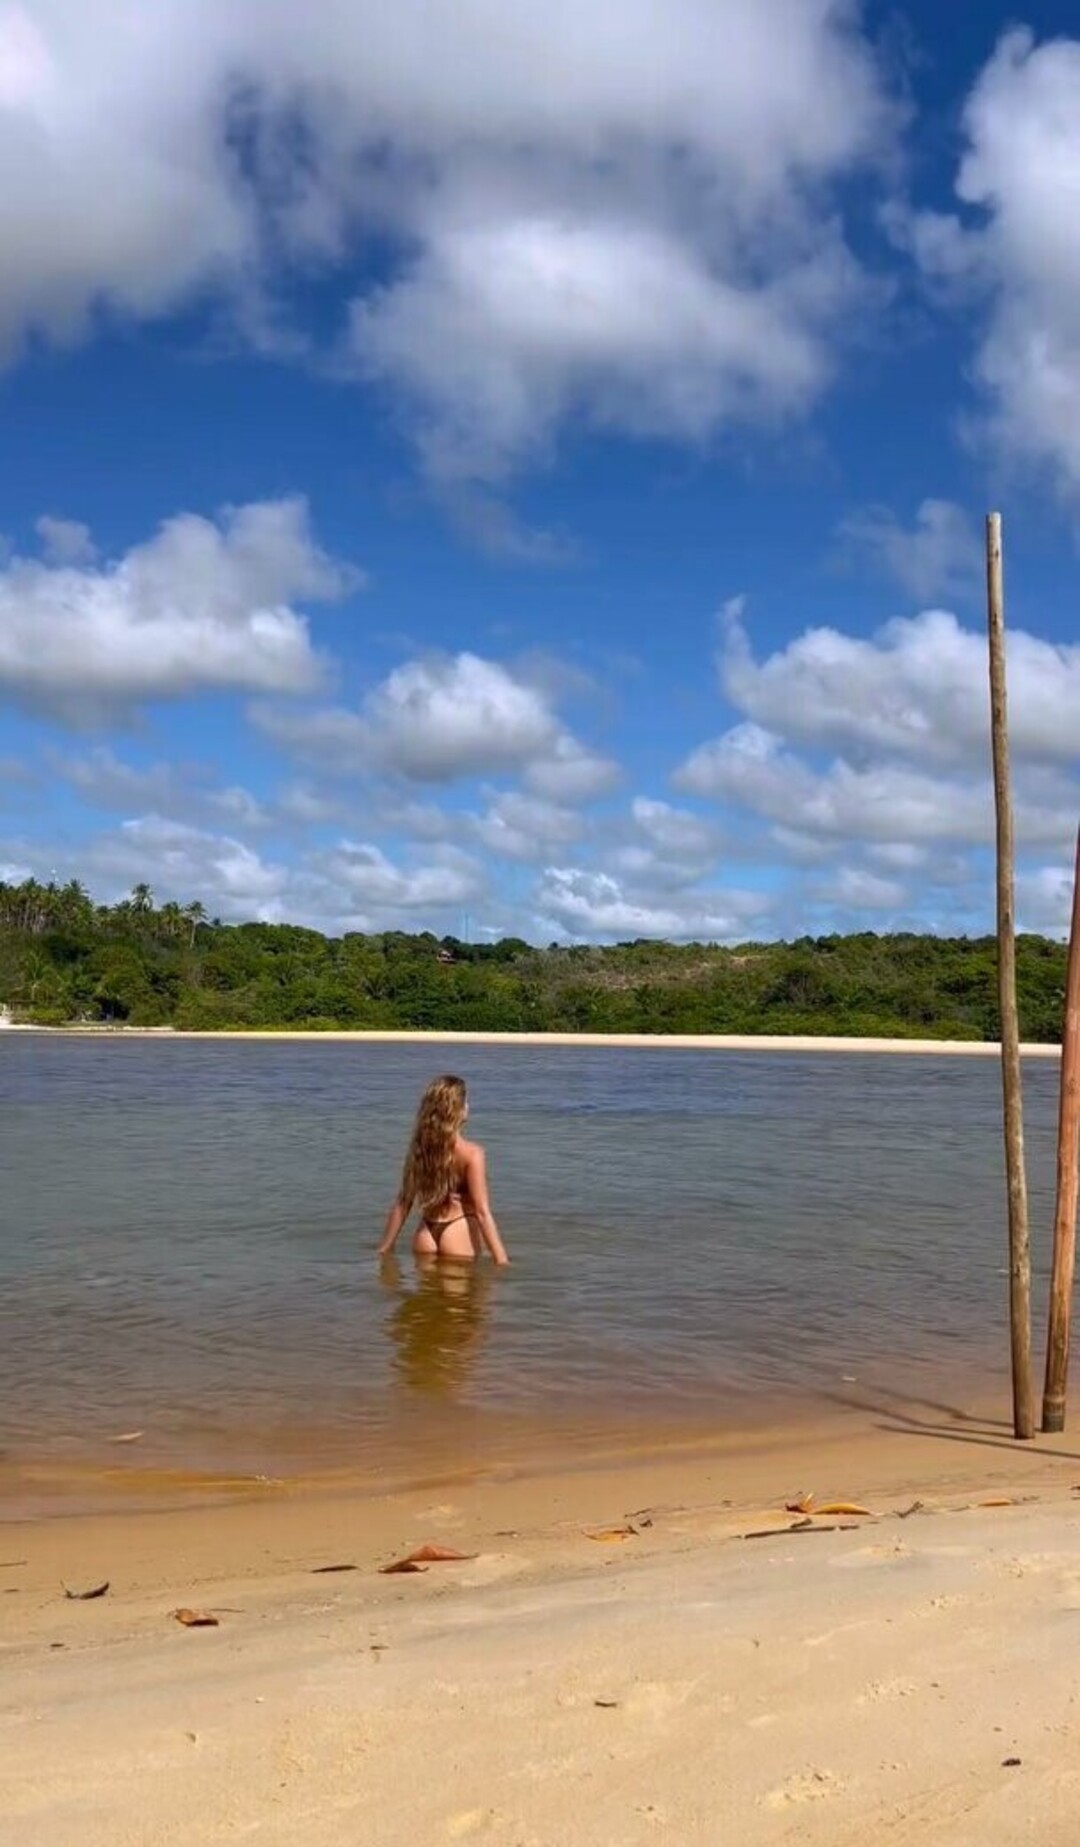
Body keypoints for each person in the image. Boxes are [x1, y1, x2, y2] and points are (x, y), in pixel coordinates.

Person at [378, 1074, 510, 1266]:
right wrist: (502, 1260)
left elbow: (403, 1202)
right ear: (456, 1109)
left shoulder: (419, 1150)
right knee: (467, 1287)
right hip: (458, 1231)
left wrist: (384, 1248)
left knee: (428, 1287)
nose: (468, 1106)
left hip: (425, 1233)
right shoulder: (472, 1154)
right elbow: (482, 1212)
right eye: (466, 1102)